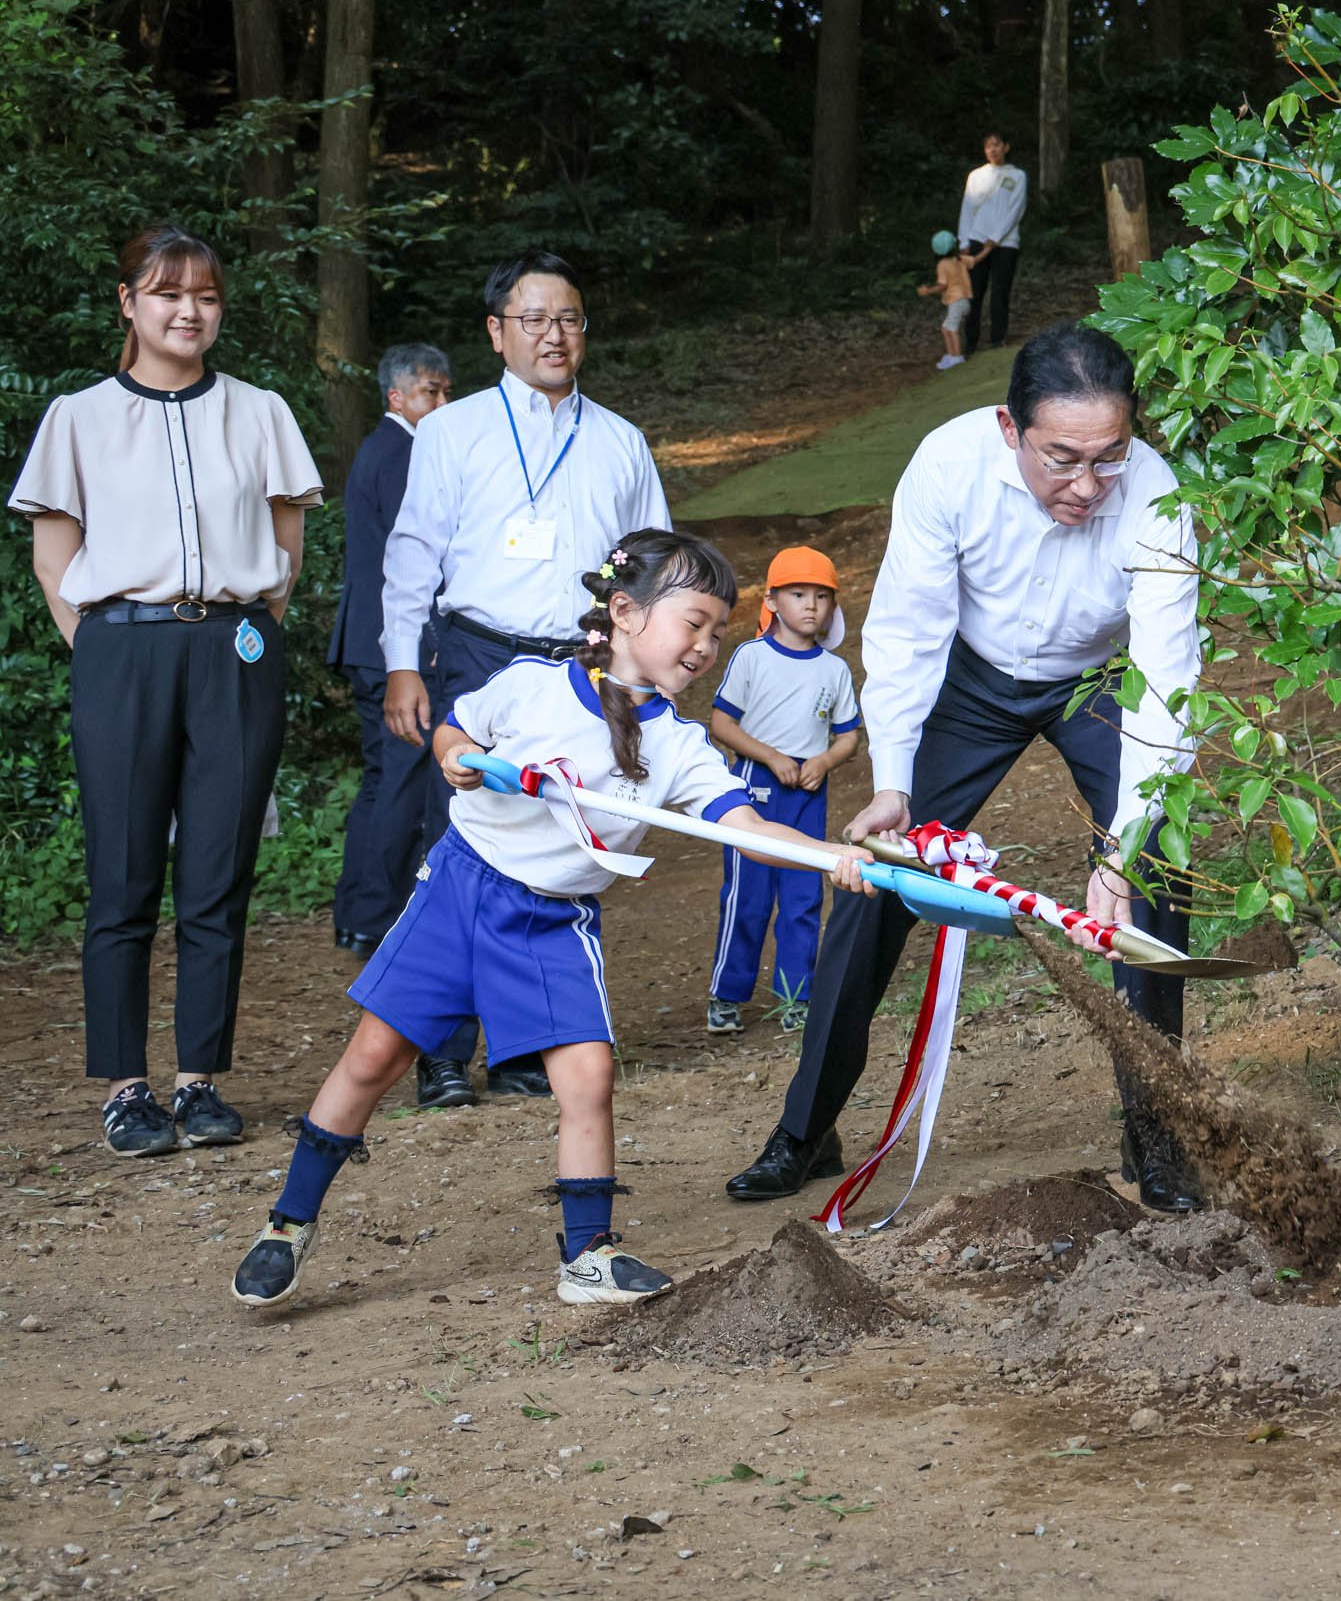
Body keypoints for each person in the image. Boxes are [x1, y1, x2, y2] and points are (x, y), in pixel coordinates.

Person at [228, 530, 880, 1311]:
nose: (707, 646)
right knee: (373, 1058)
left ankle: (589, 1255)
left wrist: (831, 858)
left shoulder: (679, 746)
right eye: (694, 623)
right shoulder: (535, 684)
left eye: (717, 632)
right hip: (462, 891)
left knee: (589, 1076)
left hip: (553, 920)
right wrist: (457, 755)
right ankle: (287, 1224)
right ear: (626, 612)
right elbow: (455, 727)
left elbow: (745, 826)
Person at [727, 326, 1203, 1207]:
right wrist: (896, 785)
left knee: (1159, 868)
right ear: (1008, 427)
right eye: (1061, 459)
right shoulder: (947, 466)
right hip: (971, 681)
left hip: (1100, 679)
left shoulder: (1160, 497)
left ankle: (1157, 1137)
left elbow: (1169, 684)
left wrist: (1121, 847)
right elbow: (906, 635)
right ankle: (806, 1128)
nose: (1088, 485)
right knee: (875, 881)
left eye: (1109, 457)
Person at [10, 225, 323, 1159]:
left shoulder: (259, 410)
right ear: (129, 303)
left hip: (234, 645)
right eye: (167, 294)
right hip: (123, 650)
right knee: (123, 873)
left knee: (218, 872)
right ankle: (124, 1087)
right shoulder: (78, 415)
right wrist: (97, 648)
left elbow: (285, 538)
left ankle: (199, 1080)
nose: (189, 312)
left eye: (207, 297)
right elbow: (52, 549)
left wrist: (255, 626)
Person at [377, 251, 670, 1105]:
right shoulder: (451, 431)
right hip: (477, 652)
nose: (554, 334)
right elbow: (411, 557)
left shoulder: (619, 439)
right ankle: (439, 1054)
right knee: (461, 841)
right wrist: (403, 664)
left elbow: (649, 563)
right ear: (496, 332)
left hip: (581, 663)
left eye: (569, 319)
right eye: (534, 319)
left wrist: (646, 669)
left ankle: (530, 1046)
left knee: (569, 844)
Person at [328, 344, 452, 969]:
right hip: (392, 644)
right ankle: (381, 917)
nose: (442, 403)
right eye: (431, 391)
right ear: (396, 397)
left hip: (369, 639)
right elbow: (416, 561)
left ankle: (361, 915)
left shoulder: (383, 450)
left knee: (383, 780)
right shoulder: (403, 453)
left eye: (447, 391)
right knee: (401, 781)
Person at [705, 546, 862, 1035]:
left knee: (803, 897)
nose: (811, 605)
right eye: (798, 594)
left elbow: (849, 737)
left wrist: (824, 760)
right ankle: (726, 996)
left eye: (822, 596)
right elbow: (720, 723)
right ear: (772, 600)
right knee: (747, 896)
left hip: (809, 793)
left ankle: (796, 996)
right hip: (754, 789)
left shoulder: (833, 669)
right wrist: (770, 756)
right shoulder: (751, 657)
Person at [956, 132, 1027, 351]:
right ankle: (971, 341)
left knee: (1000, 291)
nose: (992, 150)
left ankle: (997, 338)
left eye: (996, 145)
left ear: (1006, 147)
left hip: (1006, 243)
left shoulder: (1017, 175)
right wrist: (963, 241)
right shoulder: (976, 176)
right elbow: (967, 209)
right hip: (976, 239)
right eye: (988, 146)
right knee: (974, 293)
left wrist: (996, 237)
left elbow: (1016, 209)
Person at [918, 231, 987, 371]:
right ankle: (951, 356)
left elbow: (943, 284)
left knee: (951, 329)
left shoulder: (942, 264)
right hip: (963, 301)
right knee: (946, 328)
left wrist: (927, 291)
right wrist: (988, 248)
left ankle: (957, 358)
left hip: (956, 301)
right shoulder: (960, 259)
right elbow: (976, 259)